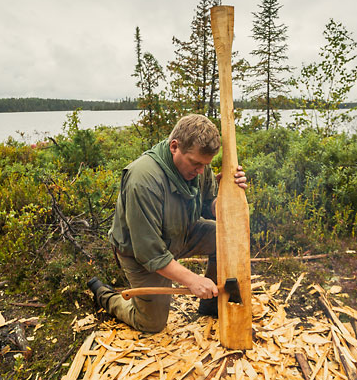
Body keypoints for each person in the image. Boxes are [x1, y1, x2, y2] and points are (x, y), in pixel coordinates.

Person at [87, 114, 247, 333]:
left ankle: (211, 303)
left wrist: (227, 195)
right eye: (196, 164)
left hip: (181, 233)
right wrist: (192, 280)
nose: (201, 171)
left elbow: (209, 206)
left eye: (205, 165)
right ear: (174, 147)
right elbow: (150, 253)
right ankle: (105, 295)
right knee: (151, 324)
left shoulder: (198, 165)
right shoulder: (143, 180)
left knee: (225, 238)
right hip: (140, 253)